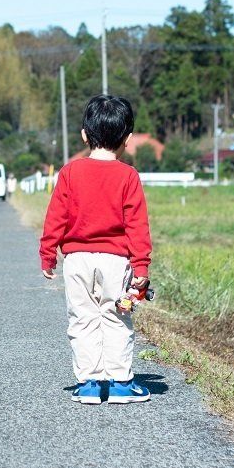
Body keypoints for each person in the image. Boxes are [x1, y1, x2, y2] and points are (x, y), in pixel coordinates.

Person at [38, 94, 152, 405]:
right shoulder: (128, 176)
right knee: (116, 318)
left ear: (85, 135)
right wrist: (140, 266)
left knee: (83, 319)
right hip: (116, 262)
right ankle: (119, 384)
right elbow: (137, 226)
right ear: (127, 139)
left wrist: (48, 254)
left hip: (76, 261)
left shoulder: (70, 172)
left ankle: (89, 384)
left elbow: (55, 218)